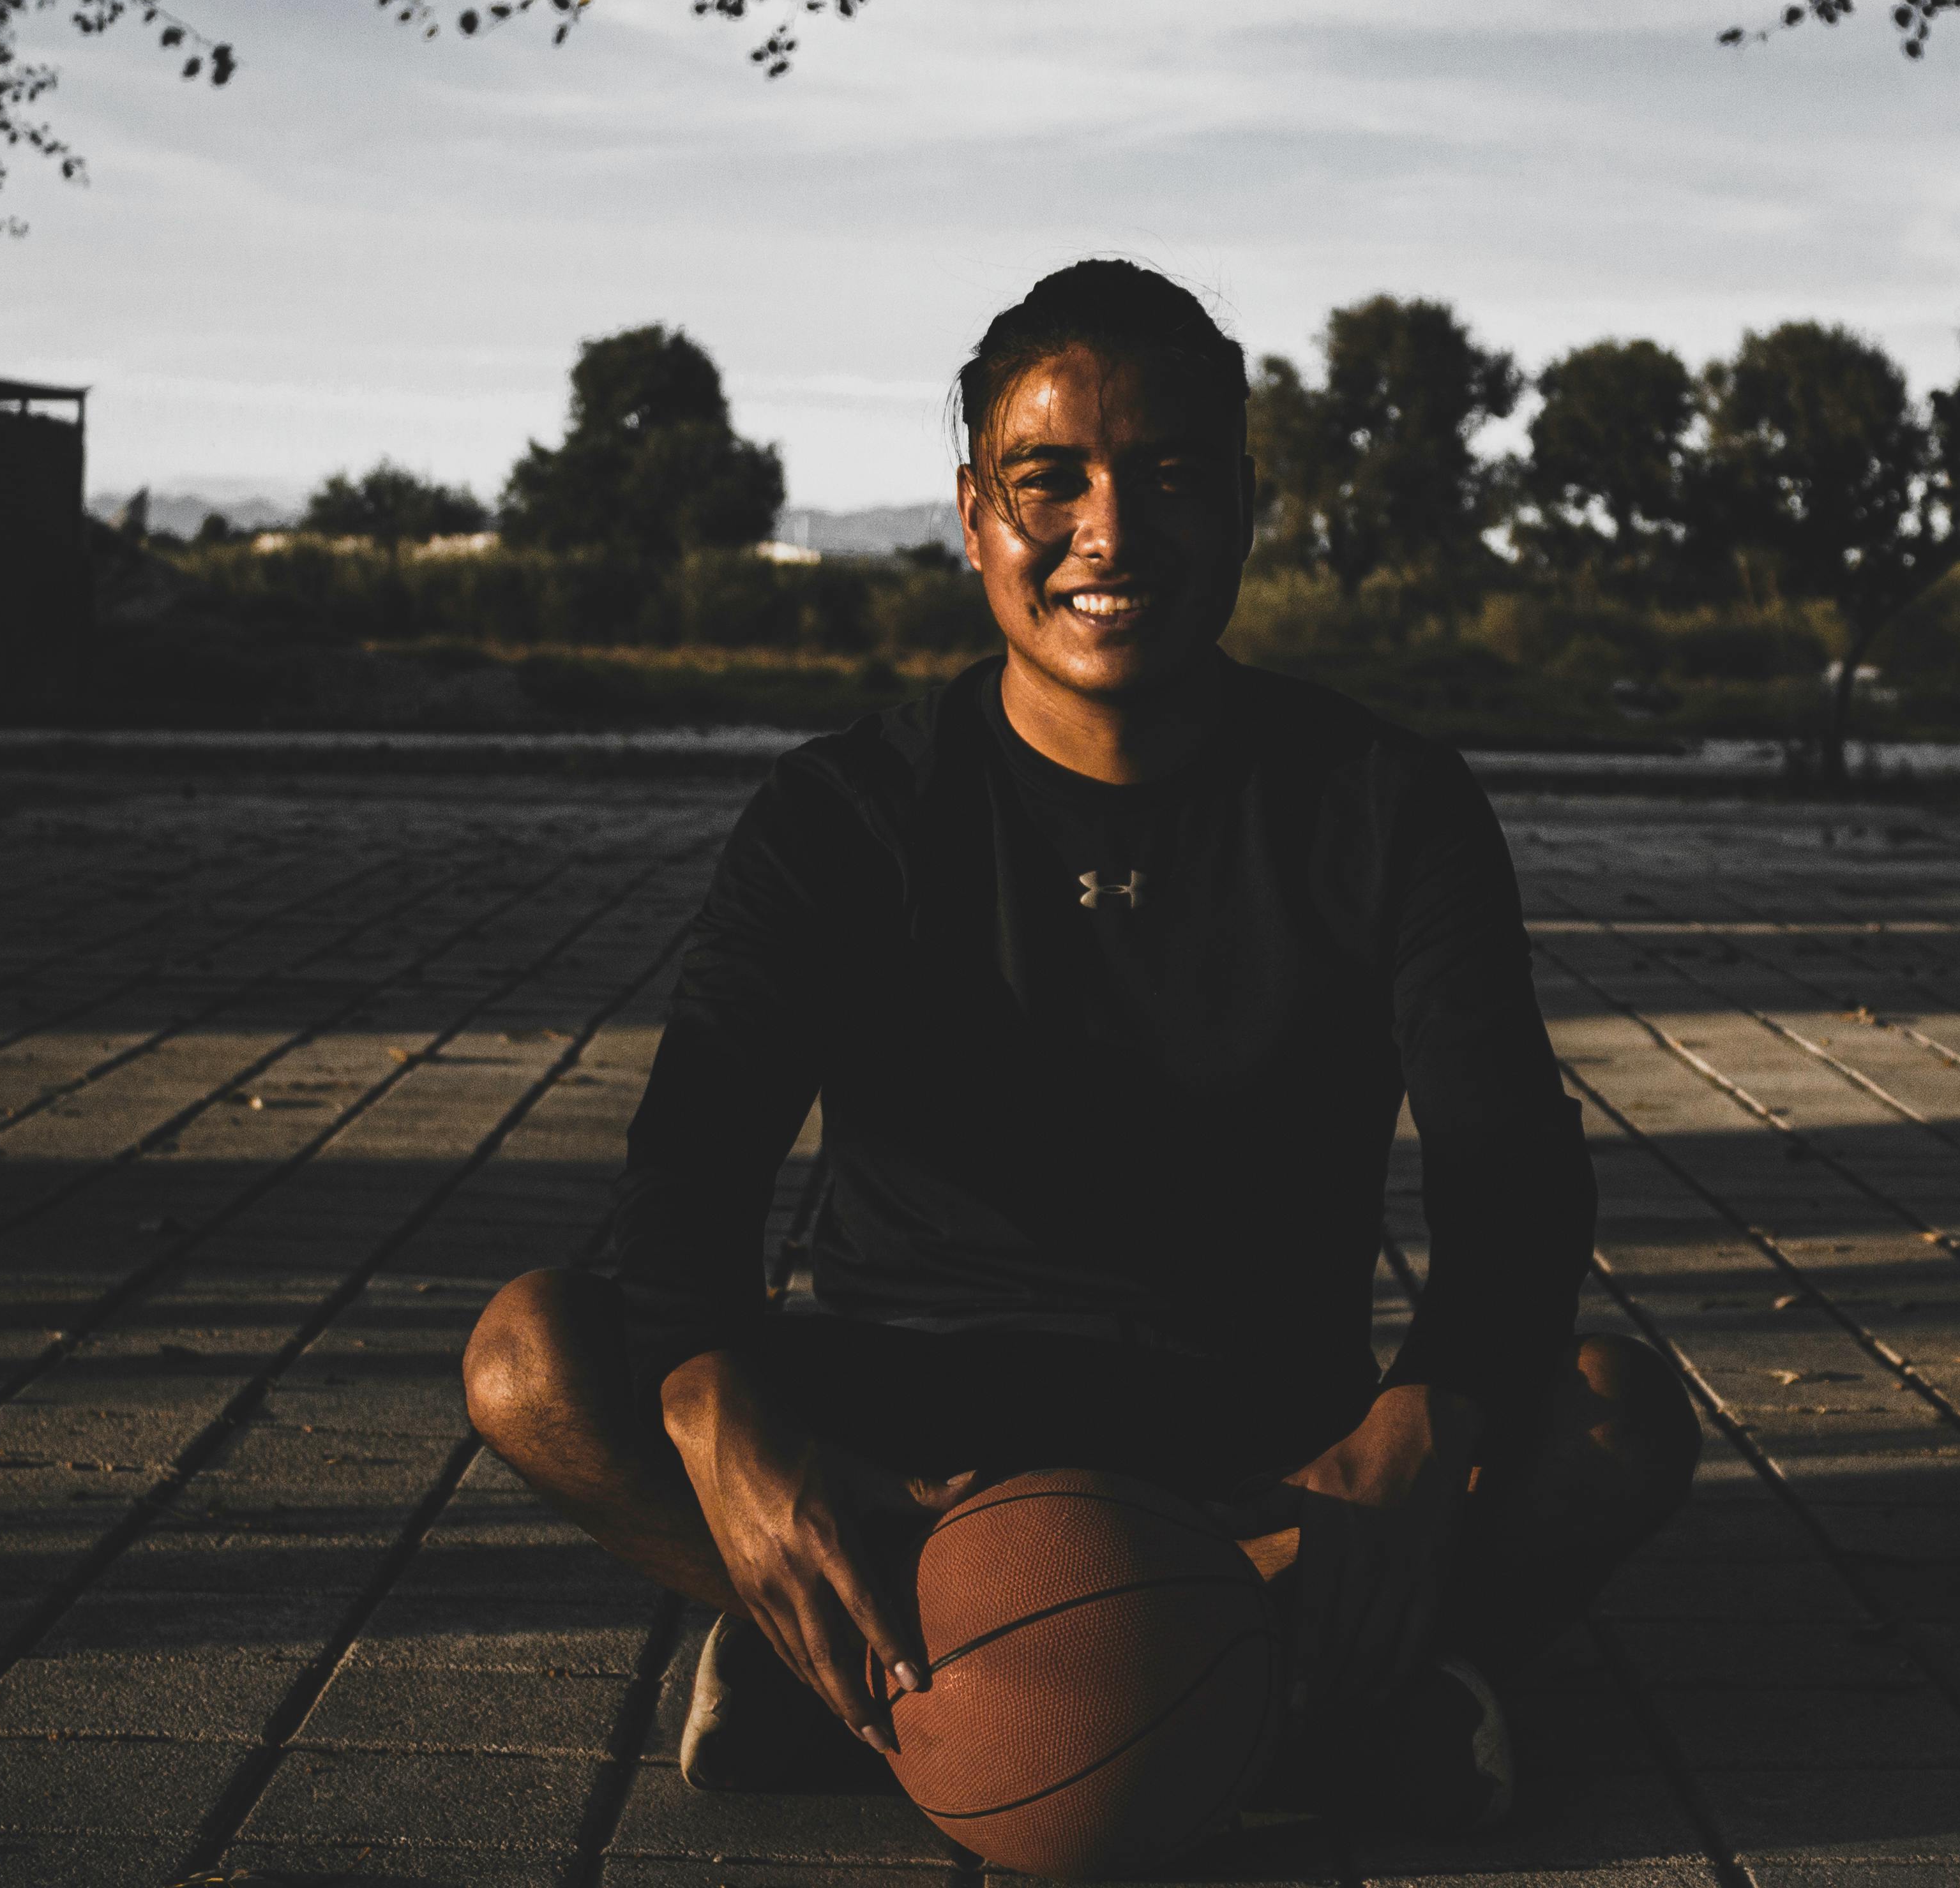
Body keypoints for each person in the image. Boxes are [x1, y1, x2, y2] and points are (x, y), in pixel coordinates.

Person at [462, 261, 1696, 1829]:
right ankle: (1067, 1665)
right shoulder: (843, 813)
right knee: (531, 1358)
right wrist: (726, 1421)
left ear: (1246, 505)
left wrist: (1423, 1417)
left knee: (1613, 1415)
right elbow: (688, 1167)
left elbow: (1514, 1176)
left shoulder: (1387, 804)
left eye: (1170, 477)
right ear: (976, 513)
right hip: (902, 1459)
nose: (1111, 533)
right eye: (1053, 481)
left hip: (1260, 1466)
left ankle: (986, 1687)